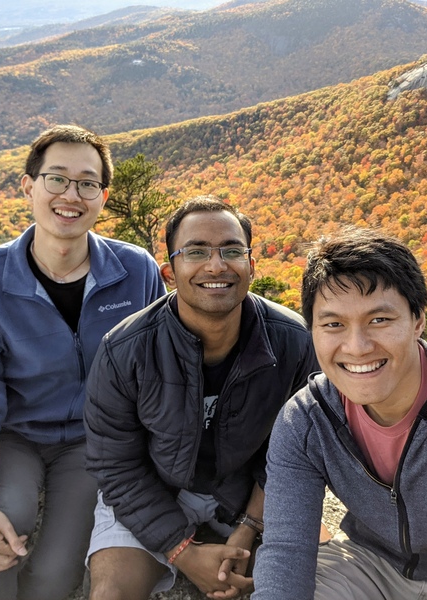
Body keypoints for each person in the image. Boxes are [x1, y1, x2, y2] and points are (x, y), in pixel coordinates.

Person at [253, 227, 427, 599]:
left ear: (418, 319)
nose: (357, 347)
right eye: (333, 324)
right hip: (368, 563)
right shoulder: (306, 421)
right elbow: (286, 553)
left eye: (379, 320)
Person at [0, 124, 165, 600]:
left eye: (87, 183)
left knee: (56, 574)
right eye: (57, 178)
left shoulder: (136, 271)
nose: (72, 194)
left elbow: (158, 369)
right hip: (14, 435)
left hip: (93, 442)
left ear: (102, 196)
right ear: (29, 186)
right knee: (5, 521)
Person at [83, 196, 318, 600]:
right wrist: (183, 551)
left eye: (231, 250)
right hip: (158, 486)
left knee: (294, 585)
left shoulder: (292, 342)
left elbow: (295, 451)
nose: (216, 265)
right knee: (112, 593)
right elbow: (117, 466)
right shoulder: (124, 350)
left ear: (251, 266)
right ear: (169, 273)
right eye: (196, 251)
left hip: (245, 491)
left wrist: (250, 526)